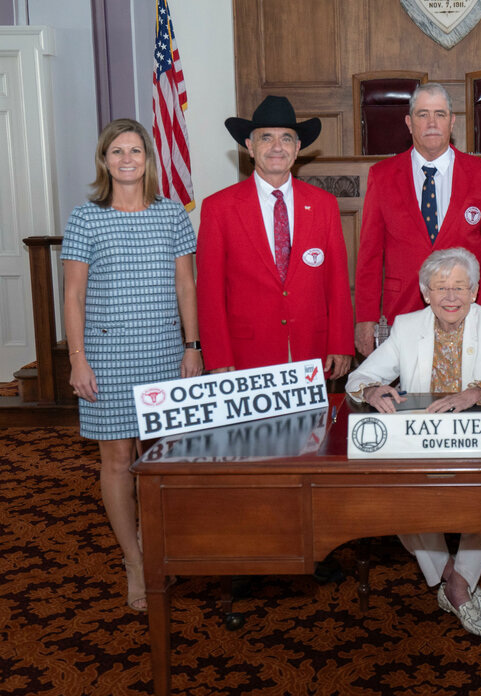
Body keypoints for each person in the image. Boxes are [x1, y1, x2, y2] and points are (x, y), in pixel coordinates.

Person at [346, 248, 481, 637]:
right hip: (421, 444)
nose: (451, 297)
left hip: (475, 443)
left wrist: (476, 393)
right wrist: (373, 390)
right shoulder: (406, 327)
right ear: (425, 293)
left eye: (460, 287)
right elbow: (358, 378)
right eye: (441, 288)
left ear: (475, 291)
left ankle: (459, 582)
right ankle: (452, 575)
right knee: (397, 490)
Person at [61, 118, 204, 611]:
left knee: (164, 462)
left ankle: (160, 543)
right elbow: (73, 296)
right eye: (117, 151)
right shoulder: (85, 217)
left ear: (148, 159)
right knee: (119, 462)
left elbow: (187, 286)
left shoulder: (171, 214)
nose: (127, 159)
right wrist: (77, 360)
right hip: (106, 359)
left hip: (166, 355)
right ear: (104, 160)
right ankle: (135, 562)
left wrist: (194, 345)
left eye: (136, 150)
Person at [196, 95, 354, 377]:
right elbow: (210, 292)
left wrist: (341, 342)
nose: (277, 147)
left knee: (313, 423)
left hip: (311, 351)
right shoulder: (218, 208)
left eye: (286, 138)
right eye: (266, 138)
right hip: (247, 355)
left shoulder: (323, 205)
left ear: (297, 149)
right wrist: (217, 356)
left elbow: (337, 280)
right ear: (250, 147)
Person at [354, 82, 481, 357]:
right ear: (408, 122)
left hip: (465, 315)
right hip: (401, 315)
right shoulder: (381, 176)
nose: (431, 122)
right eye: (422, 114)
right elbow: (369, 256)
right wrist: (365, 318)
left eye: (439, 114)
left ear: (452, 121)